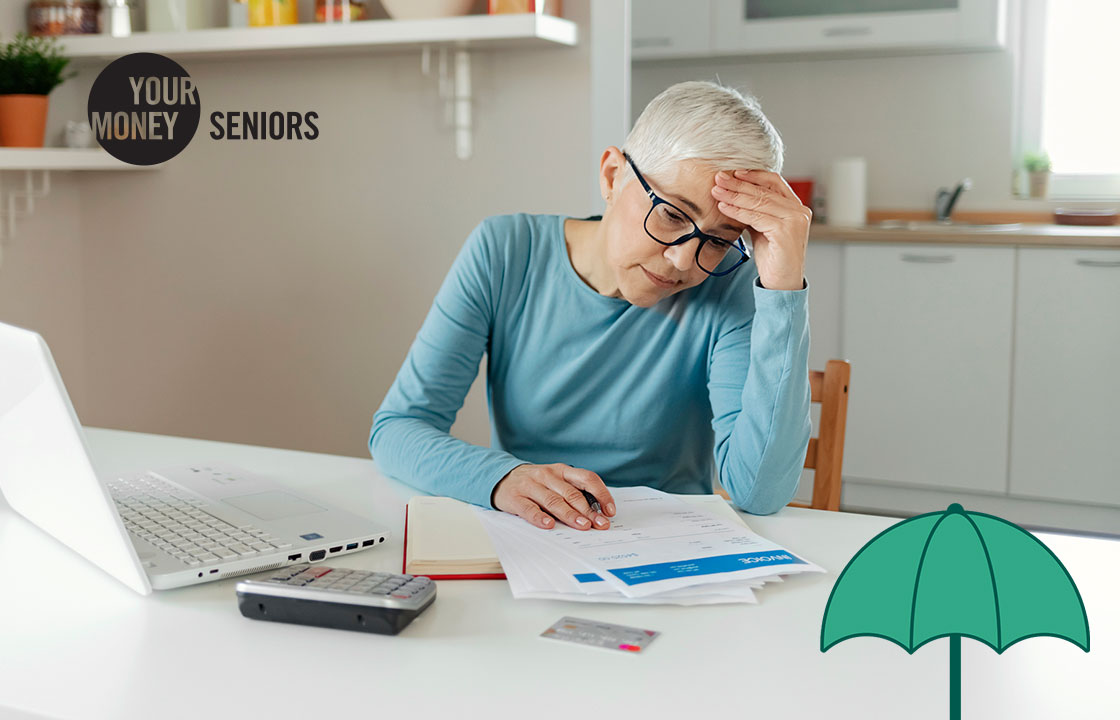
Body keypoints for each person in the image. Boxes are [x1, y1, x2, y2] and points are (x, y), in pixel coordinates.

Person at [370, 80, 812, 533]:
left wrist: (782, 287)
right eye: (673, 214)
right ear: (612, 176)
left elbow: (759, 494)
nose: (684, 258)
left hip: (671, 551)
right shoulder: (505, 252)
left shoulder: (727, 285)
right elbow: (397, 430)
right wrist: (503, 478)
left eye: (718, 239)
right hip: (532, 538)